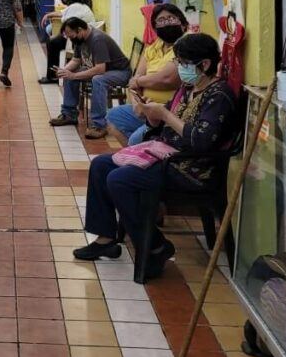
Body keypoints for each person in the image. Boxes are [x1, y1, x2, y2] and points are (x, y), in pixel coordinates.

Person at [74, 33, 236, 279]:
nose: (180, 68)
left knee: (120, 179)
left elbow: (201, 141)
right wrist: (151, 115)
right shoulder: (188, 89)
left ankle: (155, 246)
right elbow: (163, 126)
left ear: (204, 65)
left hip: (191, 167)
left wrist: (165, 115)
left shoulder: (219, 96)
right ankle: (105, 238)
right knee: (101, 165)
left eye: (184, 63)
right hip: (165, 154)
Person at [107, 3, 185, 145]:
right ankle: (138, 154)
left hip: (168, 111)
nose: (167, 23)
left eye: (171, 18)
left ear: (183, 23)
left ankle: (142, 150)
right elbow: (134, 80)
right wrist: (138, 103)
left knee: (135, 140)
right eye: (161, 20)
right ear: (155, 27)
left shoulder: (186, 44)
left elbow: (167, 79)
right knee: (112, 117)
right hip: (145, 107)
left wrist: (139, 81)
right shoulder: (153, 47)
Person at [49, 17, 131, 139]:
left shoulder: (97, 39)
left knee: (98, 79)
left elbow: (100, 69)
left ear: (80, 30)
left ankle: (99, 125)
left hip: (119, 72)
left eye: (71, 35)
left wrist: (74, 75)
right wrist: (65, 70)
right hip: (98, 69)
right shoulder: (78, 39)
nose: (70, 38)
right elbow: (76, 60)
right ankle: (69, 114)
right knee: (68, 74)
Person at [38, 0, 95, 84]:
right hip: (81, 36)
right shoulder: (78, 6)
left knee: (52, 43)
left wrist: (58, 35)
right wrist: (48, 15)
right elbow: (61, 13)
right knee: (53, 41)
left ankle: (53, 76)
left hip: (80, 40)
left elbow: (67, 25)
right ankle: (53, 75)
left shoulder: (75, 7)